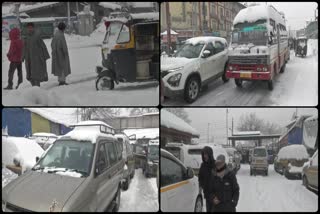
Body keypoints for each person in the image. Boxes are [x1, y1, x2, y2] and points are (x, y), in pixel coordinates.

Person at [22, 22, 50, 87]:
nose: (29, 29)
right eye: (28, 28)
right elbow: (24, 48)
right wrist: (22, 57)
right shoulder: (26, 37)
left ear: (33, 28)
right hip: (28, 59)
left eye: (31, 27)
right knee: (29, 74)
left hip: (36, 59)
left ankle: (37, 88)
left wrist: (45, 56)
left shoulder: (37, 36)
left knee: (36, 74)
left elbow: (43, 46)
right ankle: (34, 87)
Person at [198, 146, 215, 212]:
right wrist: (200, 186)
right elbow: (200, 177)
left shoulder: (215, 165)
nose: (204, 156)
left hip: (215, 195)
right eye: (203, 154)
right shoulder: (203, 165)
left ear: (210, 154)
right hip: (207, 194)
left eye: (206, 154)